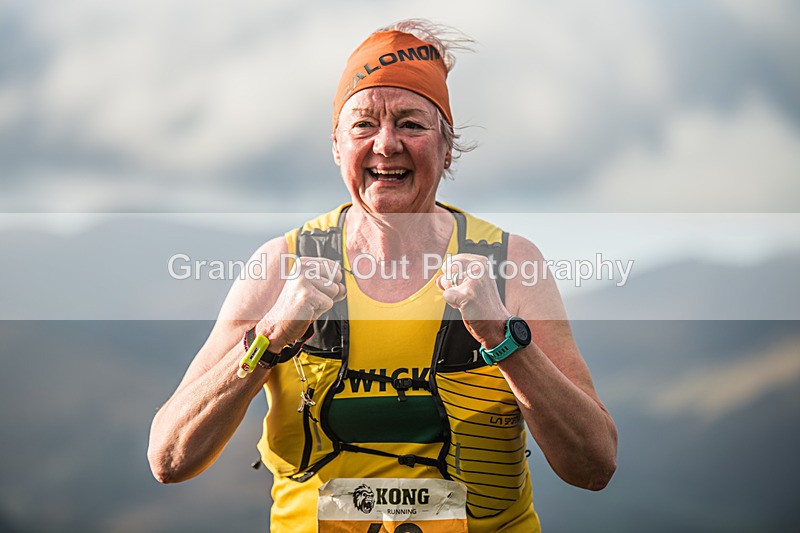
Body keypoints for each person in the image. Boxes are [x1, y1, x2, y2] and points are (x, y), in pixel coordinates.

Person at [148, 19, 617, 532]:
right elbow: (170, 458)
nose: (386, 144)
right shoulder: (281, 265)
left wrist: (504, 340)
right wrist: (268, 338)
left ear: (447, 147)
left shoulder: (509, 264)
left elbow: (593, 466)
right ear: (336, 147)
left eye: (412, 124)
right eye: (363, 125)